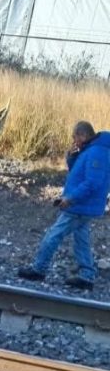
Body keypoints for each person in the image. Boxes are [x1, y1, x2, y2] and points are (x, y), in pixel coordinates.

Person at [18, 121, 110, 290]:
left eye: (75, 137)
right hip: (84, 205)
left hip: (80, 205)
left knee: (53, 235)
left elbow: (92, 183)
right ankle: (87, 276)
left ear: (83, 135)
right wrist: (72, 155)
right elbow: (77, 171)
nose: (74, 141)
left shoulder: (97, 152)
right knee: (81, 239)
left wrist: (70, 199)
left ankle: (39, 269)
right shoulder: (90, 149)